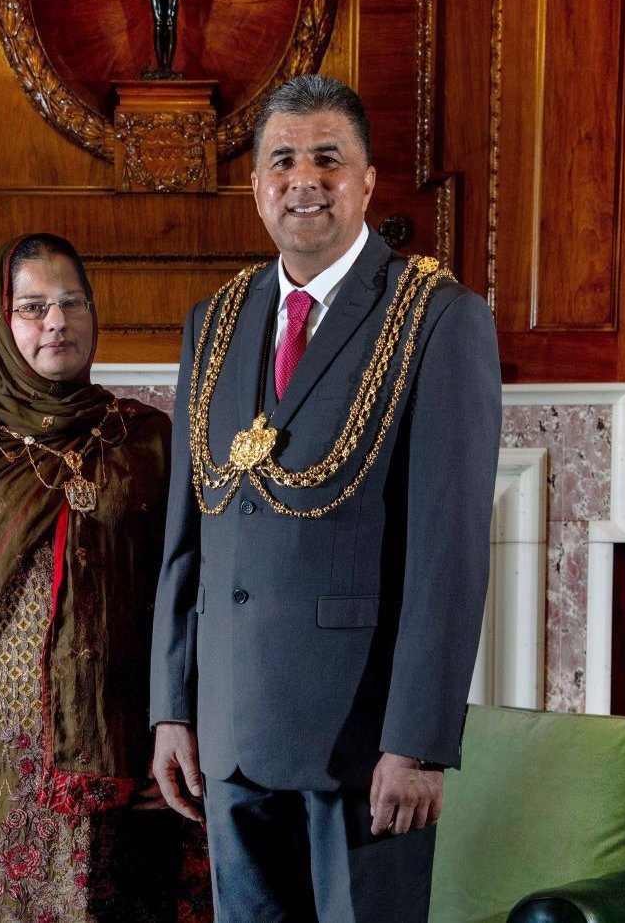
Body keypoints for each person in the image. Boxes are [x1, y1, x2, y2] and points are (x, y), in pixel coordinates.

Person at [150, 75, 502, 922]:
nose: (302, 179)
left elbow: (448, 552)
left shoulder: (437, 316)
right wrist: (172, 708)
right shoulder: (216, 320)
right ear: (257, 187)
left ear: (368, 181)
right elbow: (187, 535)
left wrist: (415, 744)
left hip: (359, 744)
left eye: (327, 159)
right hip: (229, 733)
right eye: (282, 161)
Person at [0, 233, 205, 922]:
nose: (57, 322)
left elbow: (197, 598)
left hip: (136, 754)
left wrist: (191, 731)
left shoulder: (150, 441)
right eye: (33, 307)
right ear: (1, 325)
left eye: (72, 304)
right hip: (4, 771)